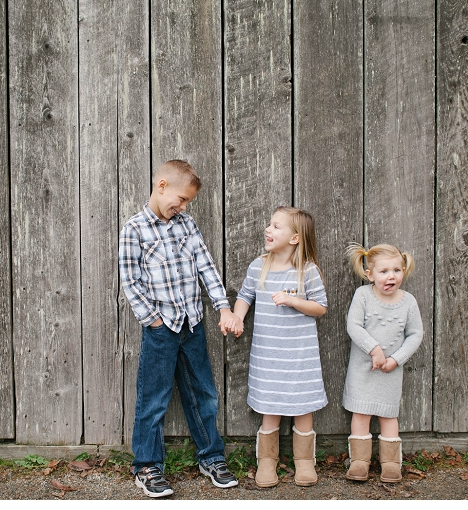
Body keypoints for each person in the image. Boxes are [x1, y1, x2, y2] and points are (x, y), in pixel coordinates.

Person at [119, 159, 242, 498]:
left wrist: (222, 306)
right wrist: (154, 321)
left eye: (187, 202)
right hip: (161, 329)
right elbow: (131, 282)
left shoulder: (186, 224)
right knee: (154, 399)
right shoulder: (135, 229)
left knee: (203, 393)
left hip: (193, 323)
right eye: (182, 199)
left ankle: (211, 457)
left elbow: (206, 266)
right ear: (161, 186)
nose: (183, 206)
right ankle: (147, 466)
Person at [224, 206, 328, 487]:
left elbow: (320, 307)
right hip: (268, 354)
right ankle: (267, 461)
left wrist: (293, 300)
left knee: (303, 406)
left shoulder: (307, 270)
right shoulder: (259, 265)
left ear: (295, 238)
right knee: (270, 406)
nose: (268, 230)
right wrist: (237, 317)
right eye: (269, 225)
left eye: (277, 226)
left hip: (299, 356)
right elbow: (245, 295)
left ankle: (304, 461)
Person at [341, 242, 423, 483]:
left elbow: (415, 334)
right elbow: (353, 325)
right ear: (370, 274)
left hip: (390, 371)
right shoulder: (363, 295)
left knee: (388, 416)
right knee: (361, 413)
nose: (391, 277)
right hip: (362, 369)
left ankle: (390, 463)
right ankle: (359, 461)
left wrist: (396, 359)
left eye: (397, 271)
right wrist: (374, 349)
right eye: (384, 271)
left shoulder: (408, 302)